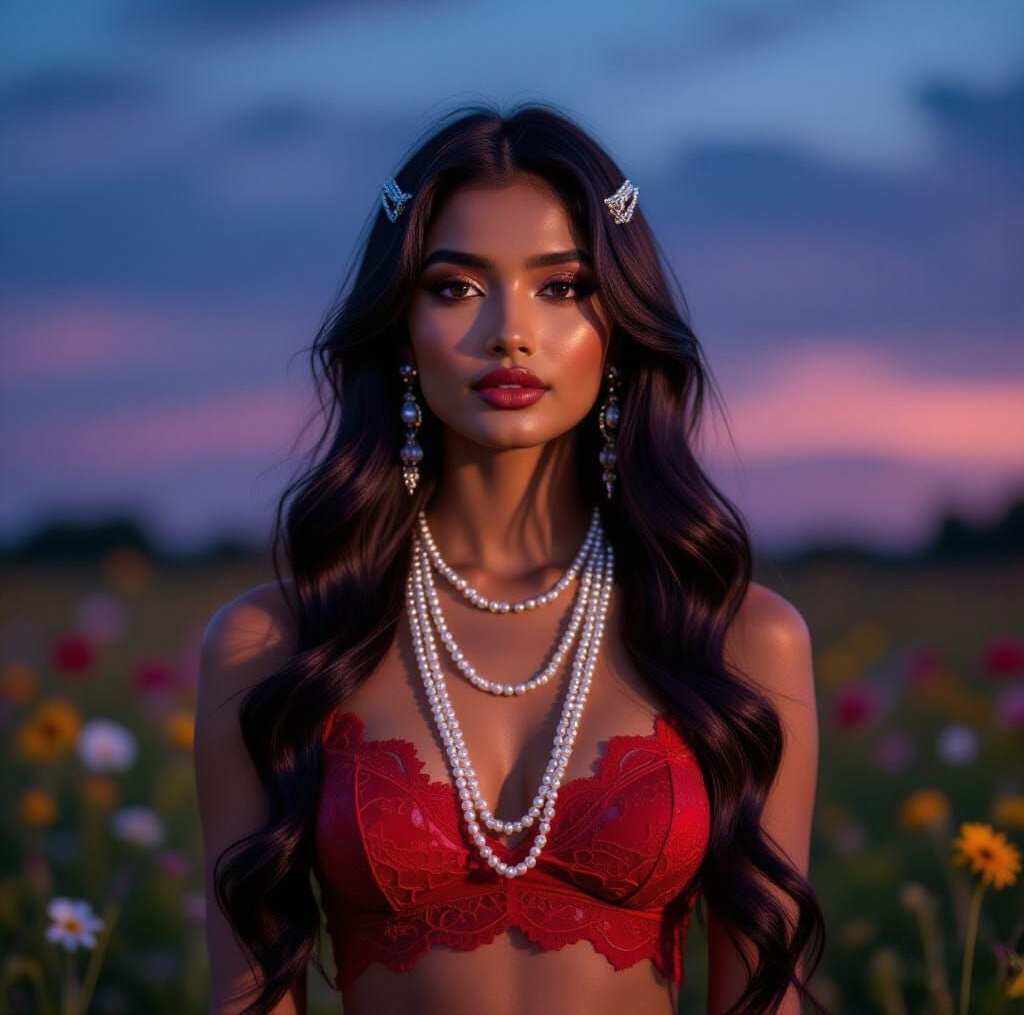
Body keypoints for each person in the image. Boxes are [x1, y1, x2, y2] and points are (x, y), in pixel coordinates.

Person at [194, 102, 829, 1015]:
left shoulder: (738, 638)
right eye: (455, 287)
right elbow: (247, 997)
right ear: (398, 325)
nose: (509, 332)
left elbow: (766, 999)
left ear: (621, 323)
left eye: (561, 287)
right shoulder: (276, 642)